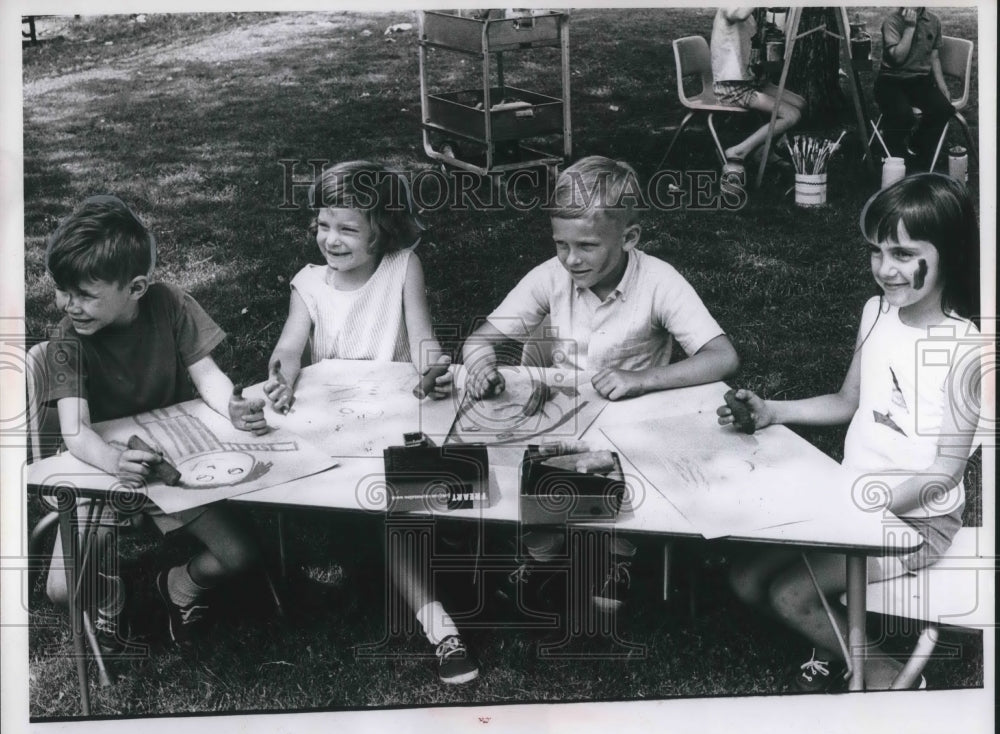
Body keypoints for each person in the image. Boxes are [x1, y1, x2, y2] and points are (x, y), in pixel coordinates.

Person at [720, 173, 982, 691]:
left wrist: (862, 506)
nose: (885, 269)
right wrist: (772, 410)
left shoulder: (968, 351)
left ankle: (886, 680)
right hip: (850, 502)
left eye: (904, 254)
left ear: (949, 253)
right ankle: (837, 640)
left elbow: (944, 473)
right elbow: (847, 402)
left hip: (918, 522)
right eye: (877, 252)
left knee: (789, 594)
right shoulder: (878, 310)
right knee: (744, 579)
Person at [463, 155, 739, 612]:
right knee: (525, 458)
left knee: (622, 483)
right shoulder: (550, 277)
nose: (571, 259)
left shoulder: (659, 281)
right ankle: (543, 551)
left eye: (586, 246)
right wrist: (481, 368)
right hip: (561, 423)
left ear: (629, 238)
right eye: (560, 244)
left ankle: (620, 555)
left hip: (630, 426)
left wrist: (643, 379)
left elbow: (722, 357)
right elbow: (481, 340)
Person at [262, 161, 477, 685]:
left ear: (382, 228)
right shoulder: (309, 283)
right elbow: (290, 348)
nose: (331, 240)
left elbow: (423, 336)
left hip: (396, 417)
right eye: (322, 225)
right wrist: (281, 375)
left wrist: (433, 367)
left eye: (347, 228)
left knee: (397, 509)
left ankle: (439, 625)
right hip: (332, 425)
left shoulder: (403, 266)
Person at [42, 195, 268, 649]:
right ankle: (110, 599)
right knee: (63, 590)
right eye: (62, 290)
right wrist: (114, 461)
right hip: (101, 467)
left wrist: (233, 409)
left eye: (85, 294)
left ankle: (179, 585)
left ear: (137, 288)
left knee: (240, 556)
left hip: (172, 460)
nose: (69, 305)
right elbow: (76, 432)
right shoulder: (67, 340)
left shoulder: (169, 303)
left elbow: (209, 378)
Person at [710, 7, 805, 171]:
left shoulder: (749, 15)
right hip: (732, 86)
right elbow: (737, 13)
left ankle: (763, 151)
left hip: (750, 80)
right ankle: (740, 150)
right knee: (791, 115)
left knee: (799, 103)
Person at [873, 7, 954, 166]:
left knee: (944, 109)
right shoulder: (892, 21)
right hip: (891, 80)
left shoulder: (933, 21)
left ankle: (917, 147)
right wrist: (910, 27)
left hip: (919, 81)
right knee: (903, 116)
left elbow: (934, 57)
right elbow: (898, 58)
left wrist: (943, 86)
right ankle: (893, 154)